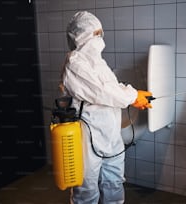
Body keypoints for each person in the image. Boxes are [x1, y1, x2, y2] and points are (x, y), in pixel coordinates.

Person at [59, 11, 152, 204]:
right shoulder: (75, 64)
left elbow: (112, 86)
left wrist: (133, 93)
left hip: (110, 135)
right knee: (86, 190)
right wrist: (134, 97)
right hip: (87, 138)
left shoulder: (98, 62)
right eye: (95, 33)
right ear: (81, 35)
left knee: (114, 183)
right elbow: (103, 92)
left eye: (100, 32)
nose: (100, 37)